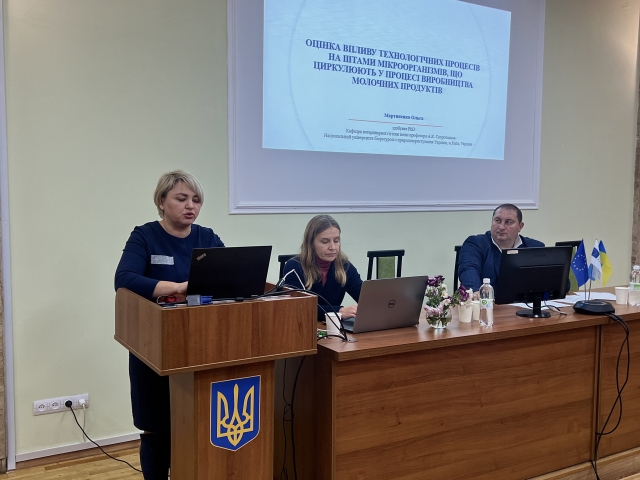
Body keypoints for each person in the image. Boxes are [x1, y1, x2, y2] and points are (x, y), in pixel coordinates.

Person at [114, 170, 224, 480]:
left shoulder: (207, 238)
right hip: (155, 346)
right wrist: (176, 287)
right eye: (182, 198)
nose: (191, 206)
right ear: (162, 202)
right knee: (157, 426)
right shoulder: (145, 236)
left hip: (203, 344)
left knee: (197, 422)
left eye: (196, 200)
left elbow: (230, 277)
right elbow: (124, 279)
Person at [283, 215, 362, 321]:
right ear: (311, 243)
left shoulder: (344, 266)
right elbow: (299, 307)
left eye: (336, 241)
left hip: (331, 327)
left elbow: (364, 298)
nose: (332, 247)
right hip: (302, 325)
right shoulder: (294, 267)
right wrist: (339, 311)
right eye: (325, 242)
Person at [458, 204, 544, 292]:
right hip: (485, 299)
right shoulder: (475, 243)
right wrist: (475, 292)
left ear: (520, 226)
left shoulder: (535, 247)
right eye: (497, 221)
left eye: (508, 222)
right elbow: (468, 270)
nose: (501, 227)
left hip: (522, 300)